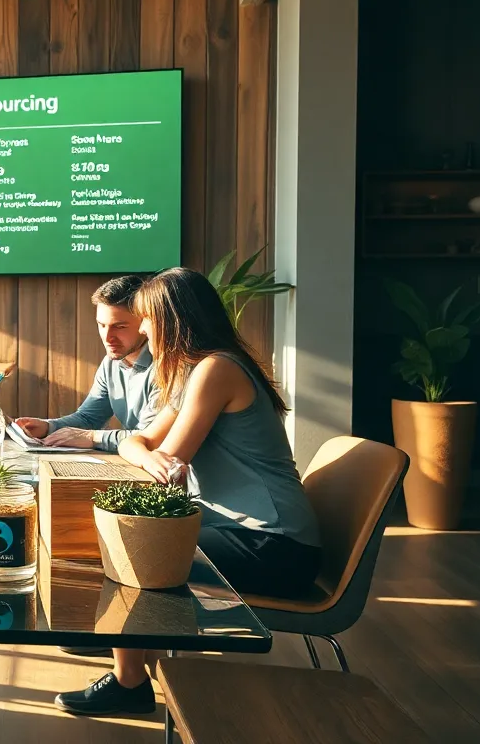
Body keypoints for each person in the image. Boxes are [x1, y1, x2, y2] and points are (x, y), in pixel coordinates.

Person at [54, 268, 322, 717]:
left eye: (147, 320)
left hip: (274, 545)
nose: (141, 330)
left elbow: (169, 458)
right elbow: (145, 442)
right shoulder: (196, 370)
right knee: (127, 540)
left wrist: (143, 450)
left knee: (133, 548)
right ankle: (126, 644)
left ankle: (130, 682)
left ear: (173, 320)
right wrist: (141, 449)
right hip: (247, 532)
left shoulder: (217, 370)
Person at [15, 275, 158, 451]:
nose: (107, 338)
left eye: (120, 327)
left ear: (146, 322)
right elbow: (89, 419)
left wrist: (94, 437)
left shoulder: (165, 368)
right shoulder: (110, 363)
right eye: (102, 325)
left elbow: (149, 438)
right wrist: (47, 427)